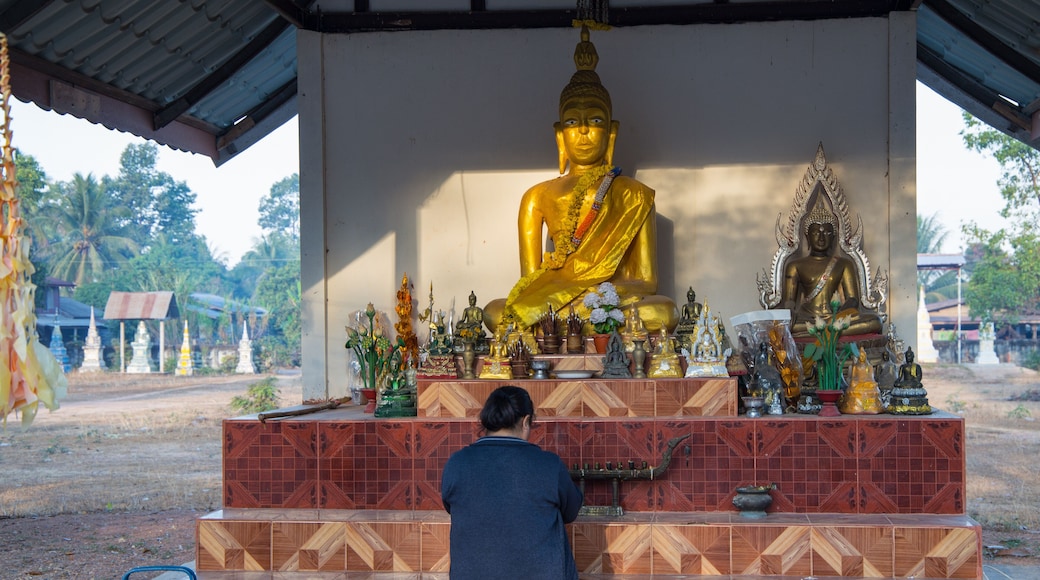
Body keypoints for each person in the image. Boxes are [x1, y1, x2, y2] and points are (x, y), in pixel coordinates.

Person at [487, 25, 677, 334]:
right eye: (573, 121)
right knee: (496, 312)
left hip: (606, 302)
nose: (584, 130)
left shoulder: (633, 194)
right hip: (553, 302)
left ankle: (583, 321)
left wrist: (596, 298)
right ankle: (580, 322)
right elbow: (530, 281)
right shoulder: (536, 197)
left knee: (664, 311)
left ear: (612, 132)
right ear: (559, 134)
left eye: (596, 120)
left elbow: (646, 280)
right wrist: (569, 293)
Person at [441, 386, 582, 580]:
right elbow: (571, 511)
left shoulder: (457, 463)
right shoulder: (549, 465)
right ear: (525, 422)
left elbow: (451, 506)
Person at [780, 198, 882, 337]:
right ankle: (819, 330)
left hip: (835, 318)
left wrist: (836, 317)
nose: (821, 238)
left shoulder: (844, 264)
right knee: (779, 325)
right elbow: (789, 301)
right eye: (816, 233)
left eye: (827, 233)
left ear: (834, 236)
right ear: (807, 236)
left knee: (875, 321)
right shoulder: (795, 266)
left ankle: (815, 331)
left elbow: (853, 300)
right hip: (806, 318)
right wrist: (790, 315)